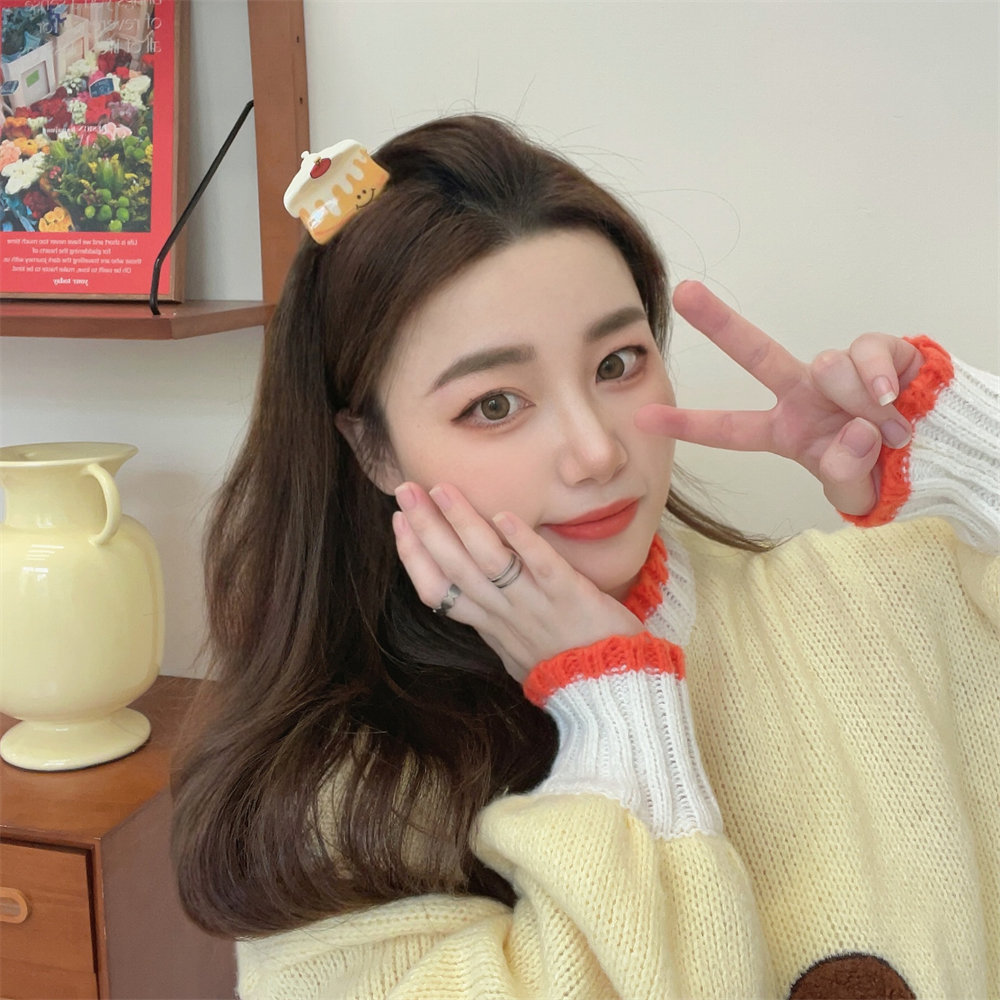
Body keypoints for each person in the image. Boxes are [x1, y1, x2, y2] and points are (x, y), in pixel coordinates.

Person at [170, 114, 999, 1000]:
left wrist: (960, 455)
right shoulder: (338, 804)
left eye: (617, 364)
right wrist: (612, 712)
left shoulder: (867, 599)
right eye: (495, 405)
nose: (597, 452)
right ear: (373, 450)